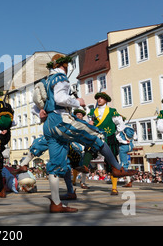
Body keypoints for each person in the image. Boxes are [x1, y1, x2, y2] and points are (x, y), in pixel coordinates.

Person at [35, 54, 136, 213]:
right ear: (65, 65)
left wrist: (40, 113)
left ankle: (56, 203)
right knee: (97, 136)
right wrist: (78, 102)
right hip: (61, 120)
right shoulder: (61, 77)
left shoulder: (45, 81)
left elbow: (37, 104)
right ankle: (116, 168)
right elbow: (61, 98)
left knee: (54, 164)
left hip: (48, 124)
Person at [87, 92, 128, 195]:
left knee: (112, 161)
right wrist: (90, 124)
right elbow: (89, 125)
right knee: (87, 152)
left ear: (106, 100)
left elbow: (120, 124)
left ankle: (114, 188)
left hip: (110, 138)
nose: (99, 99)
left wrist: (116, 134)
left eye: (102, 98)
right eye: (98, 98)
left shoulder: (112, 111)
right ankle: (83, 168)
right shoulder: (92, 112)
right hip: (96, 138)